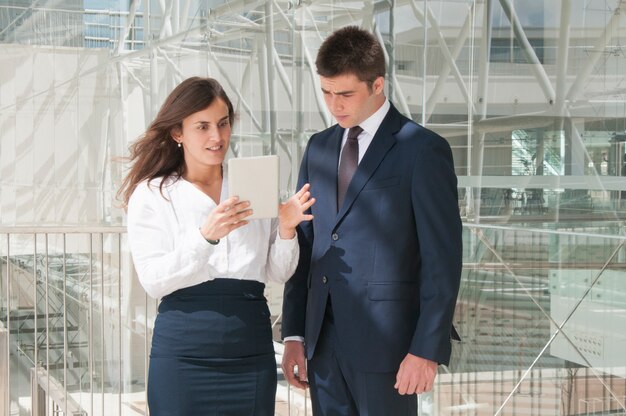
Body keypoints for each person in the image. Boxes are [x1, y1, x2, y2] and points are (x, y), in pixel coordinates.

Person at [281, 26, 463, 415]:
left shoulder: (423, 150)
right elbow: (306, 244)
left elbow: (441, 261)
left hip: (390, 349)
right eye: (326, 92)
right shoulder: (319, 147)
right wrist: (294, 334)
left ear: (377, 84)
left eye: (345, 94)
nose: (334, 104)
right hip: (322, 342)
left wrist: (425, 349)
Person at [118, 77, 315, 416]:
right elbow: (152, 281)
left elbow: (277, 271)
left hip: (250, 349)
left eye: (223, 124)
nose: (217, 137)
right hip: (183, 353)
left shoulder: (254, 184)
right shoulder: (153, 194)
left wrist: (285, 229)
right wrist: (205, 237)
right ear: (177, 133)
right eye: (203, 126)